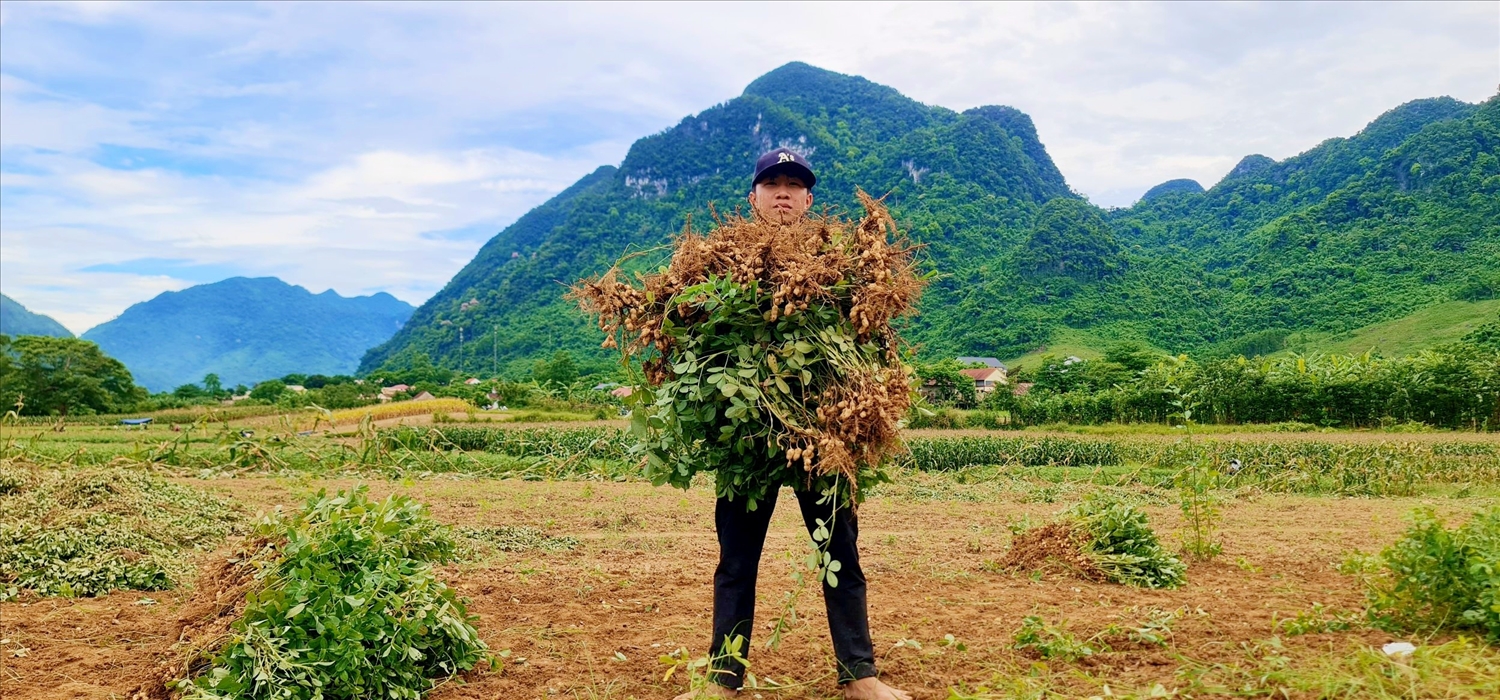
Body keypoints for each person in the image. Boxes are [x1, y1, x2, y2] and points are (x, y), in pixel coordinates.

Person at [674, 148, 912, 700]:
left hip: (822, 435)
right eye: (772, 183)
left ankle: (860, 676)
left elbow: (869, 337)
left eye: (794, 185)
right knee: (735, 562)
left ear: (808, 200)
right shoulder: (719, 263)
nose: (783, 192)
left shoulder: (840, 265)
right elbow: (689, 333)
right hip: (747, 437)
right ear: (753, 197)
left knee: (841, 553)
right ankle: (723, 681)